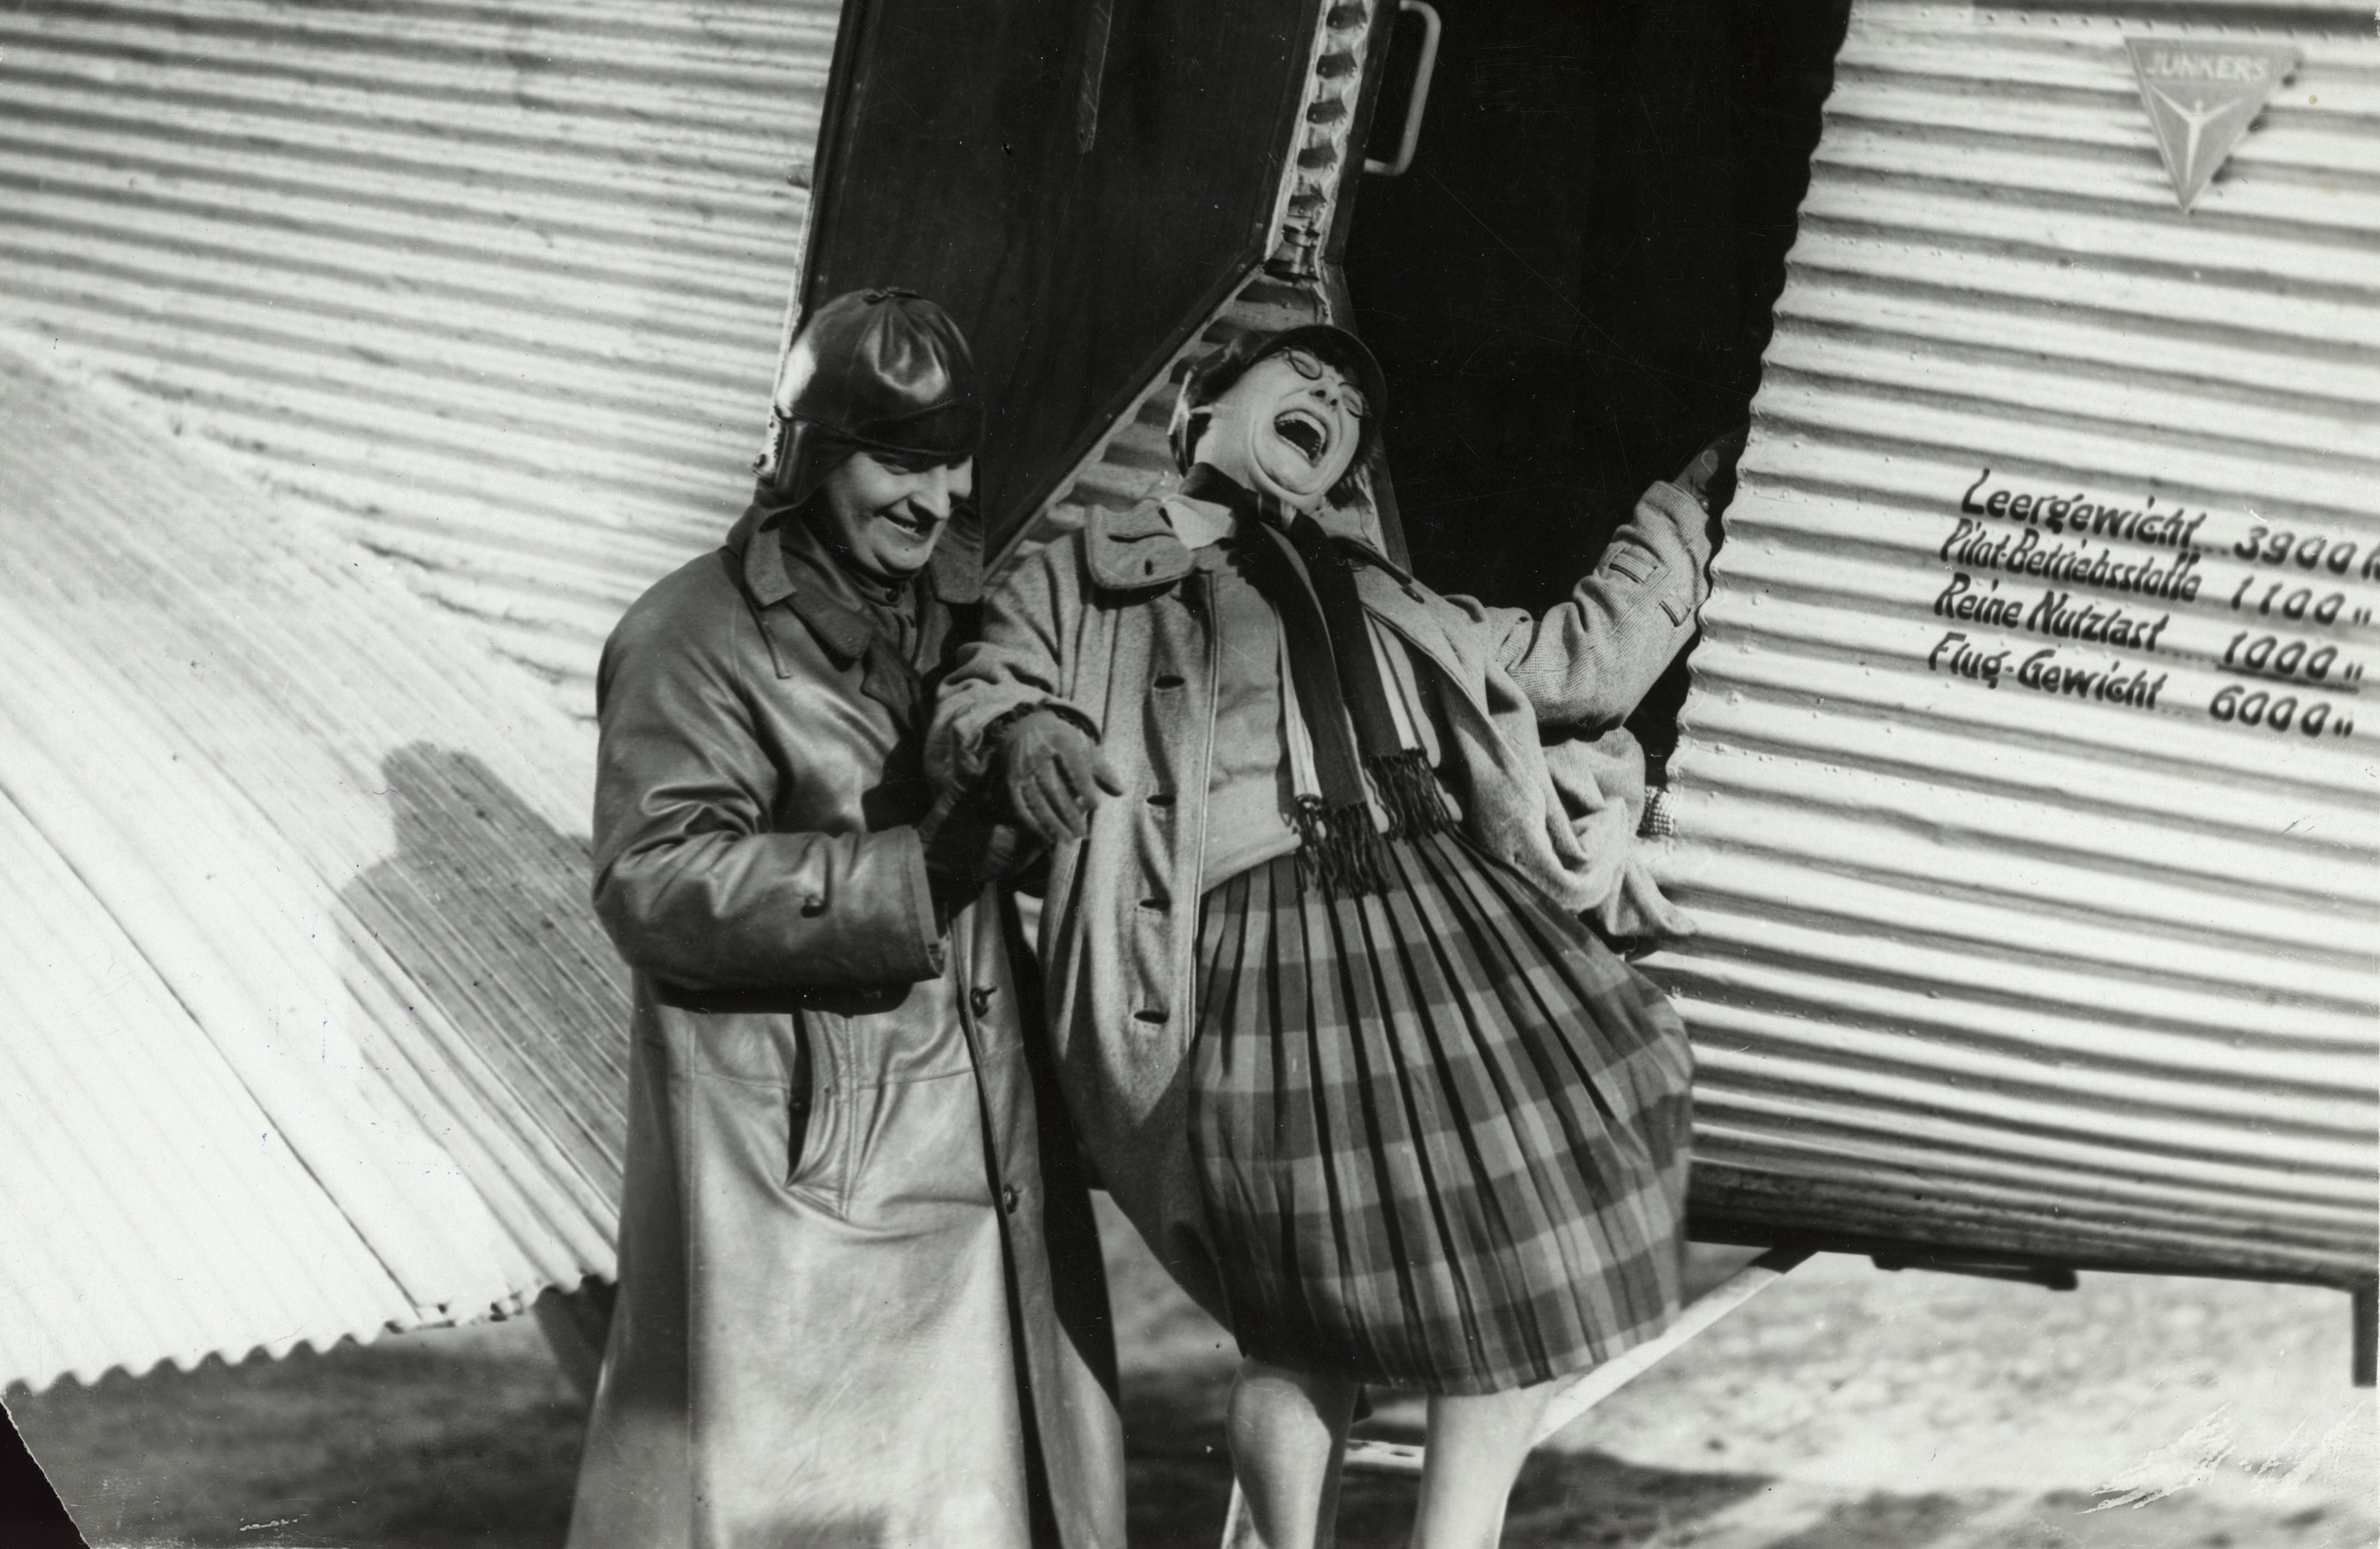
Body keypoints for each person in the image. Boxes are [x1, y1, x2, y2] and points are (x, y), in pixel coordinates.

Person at [929, 324, 1734, 1549]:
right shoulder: (1083, 575)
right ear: (1197, 409)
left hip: (1443, 920)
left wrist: (1680, 512)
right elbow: (984, 685)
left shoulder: (1380, 589)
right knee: (1304, 1316)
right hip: (1257, 943)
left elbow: (1583, 662)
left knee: (1537, 1263)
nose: (1332, 398)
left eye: (1351, 404)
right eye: (1302, 375)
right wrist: (1020, 733)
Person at [565, 289, 1125, 1549]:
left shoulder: (960, 619)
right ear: (810, 459)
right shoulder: (690, 637)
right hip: (812, 1173)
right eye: (899, 463)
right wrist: (913, 874)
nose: (936, 499)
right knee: (819, 1511)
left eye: (953, 462)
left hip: (982, 1141)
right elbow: (652, 882)